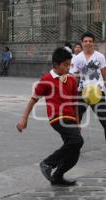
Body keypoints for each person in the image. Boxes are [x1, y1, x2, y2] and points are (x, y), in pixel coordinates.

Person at [16, 48, 83, 186]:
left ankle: (58, 176)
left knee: (74, 151)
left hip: (71, 118)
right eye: (65, 65)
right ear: (56, 64)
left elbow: (75, 102)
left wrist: (78, 122)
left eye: (69, 65)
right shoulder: (47, 79)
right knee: (77, 141)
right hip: (57, 117)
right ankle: (47, 163)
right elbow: (33, 99)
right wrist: (24, 119)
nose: (67, 67)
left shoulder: (71, 79)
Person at [71, 32, 106, 155]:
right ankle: (75, 145)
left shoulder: (100, 57)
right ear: (82, 43)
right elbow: (75, 78)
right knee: (76, 120)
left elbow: (105, 75)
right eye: (85, 41)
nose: (88, 43)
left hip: (98, 92)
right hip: (82, 92)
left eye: (90, 41)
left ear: (93, 42)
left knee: (105, 120)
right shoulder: (77, 58)